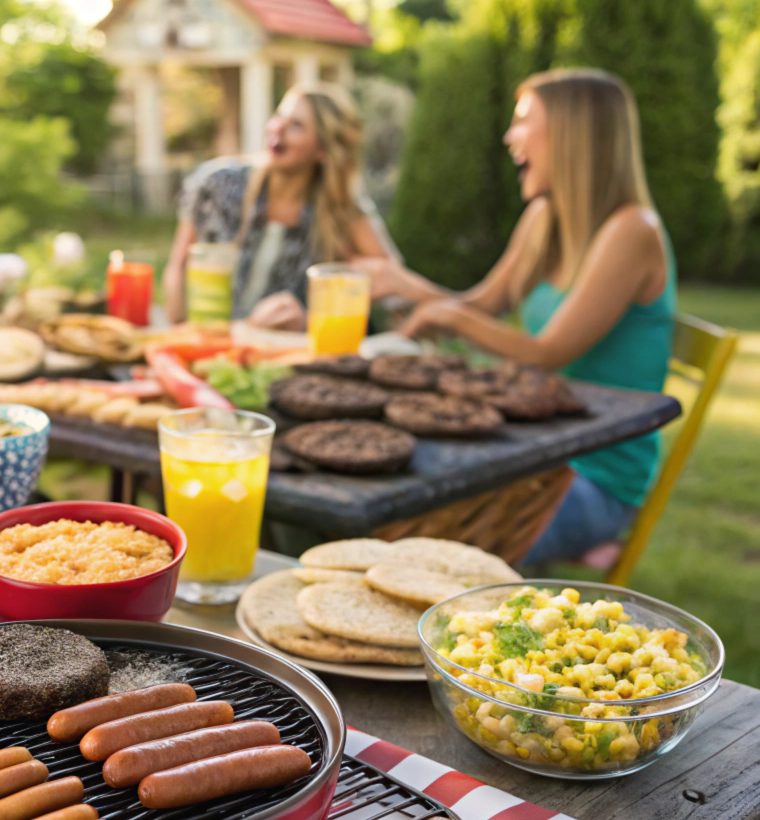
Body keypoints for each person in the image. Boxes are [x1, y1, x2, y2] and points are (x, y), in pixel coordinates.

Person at [355, 69, 674, 564]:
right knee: (390, 506)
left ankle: (587, 541)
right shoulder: (545, 217)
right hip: (530, 455)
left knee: (430, 552)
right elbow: (482, 305)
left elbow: (548, 352)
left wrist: (448, 317)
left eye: (524, 119)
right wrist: (406, 285)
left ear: (573, 135)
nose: (509, 135)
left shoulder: (632, 231)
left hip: (594, 476)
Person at [163, 82, 400, 331]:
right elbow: (178, 266)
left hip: (287, 354)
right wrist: (178, 332)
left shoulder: (340, 208)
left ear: (323, 149)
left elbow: (392, 286)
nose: (278, 129)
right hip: (212, 344)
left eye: (297, 126)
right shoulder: (217, 183)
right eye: (279, 116)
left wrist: (310, 322)